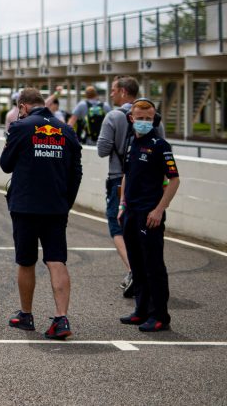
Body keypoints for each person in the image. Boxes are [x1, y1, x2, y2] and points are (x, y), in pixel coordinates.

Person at [0, 87, 82, 340]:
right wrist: (65, 203)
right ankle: (61, 318)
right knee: (56, 260)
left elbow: (5, 165)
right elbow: (76, 173)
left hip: (25, 205)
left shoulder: (20, 127)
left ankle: (26, 315)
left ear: (23, 107)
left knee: (26, 261)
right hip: (56, 206)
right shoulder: (66, 130)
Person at [118, 99, 180, 332]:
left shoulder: (160, 145)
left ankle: (160, 316)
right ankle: (141, 310)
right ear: (131, 118)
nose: (144, 122)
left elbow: (174, 180)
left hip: (150, 214)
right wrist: (122, 206)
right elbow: (126, 175)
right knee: (137, 264)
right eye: (140, 118)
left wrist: (159, 209)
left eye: (149, 118)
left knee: (153, 265)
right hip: (131, 213)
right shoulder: (132, 143)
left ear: (154, 119)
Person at [96, 75, 157, 297]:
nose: (111, 94)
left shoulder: (113, 116)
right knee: (143, 227)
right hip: (147, 182)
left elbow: (102, 150)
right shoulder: (151, 116)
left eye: (113, 90)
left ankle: (134, 271)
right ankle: (145, 271)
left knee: (117, 225)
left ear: (123, 91)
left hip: (118, 179)